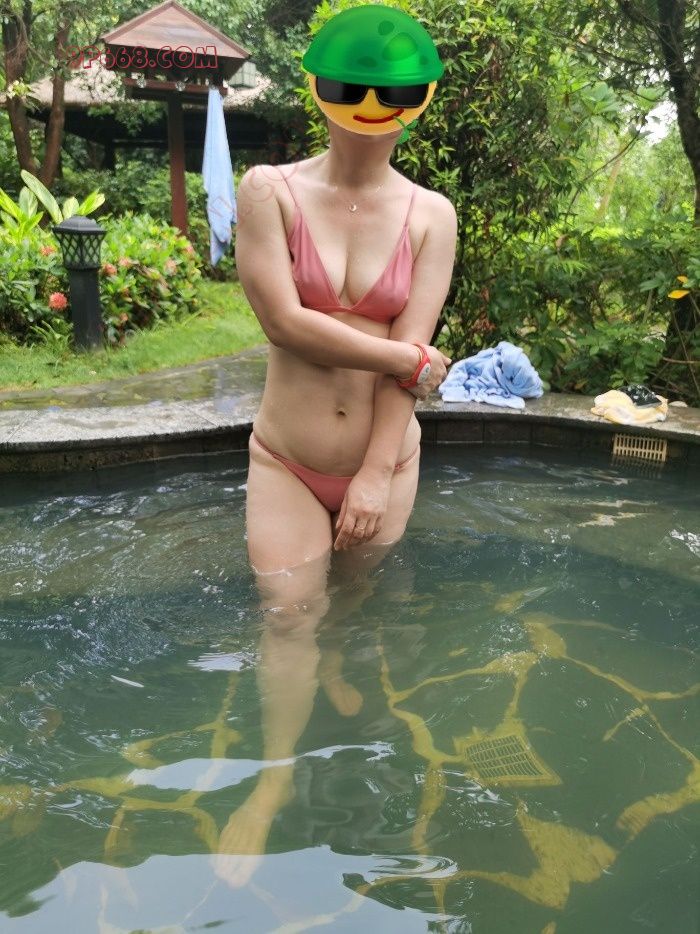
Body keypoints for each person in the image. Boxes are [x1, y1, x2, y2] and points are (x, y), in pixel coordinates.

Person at [212, 5, 458, 888]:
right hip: (287, 457)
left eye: (394, 91)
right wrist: (403, 356)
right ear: (320, 87)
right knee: (289, 614)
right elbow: (284, 321)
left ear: (419, 99)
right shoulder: (270, 191)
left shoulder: (431, 215)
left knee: (352, 599)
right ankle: (273, 779)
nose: (372, 106)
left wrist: (377, 474)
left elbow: (411, 366)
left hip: (388, 460)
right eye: (353, 85)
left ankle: (344, 668)